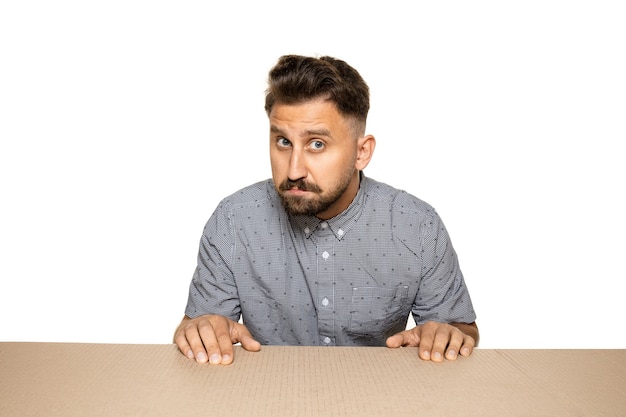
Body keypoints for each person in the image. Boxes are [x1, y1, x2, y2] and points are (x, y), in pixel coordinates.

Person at [174, 54, 479, 365]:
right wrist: (198, 330)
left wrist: (447, 335)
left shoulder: (417, 226)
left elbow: (460, 330)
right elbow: (198, 327)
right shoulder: (233, 221)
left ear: (362, 152)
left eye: (316, 144)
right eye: (282, 141)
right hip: (269, 397)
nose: (293, 170)